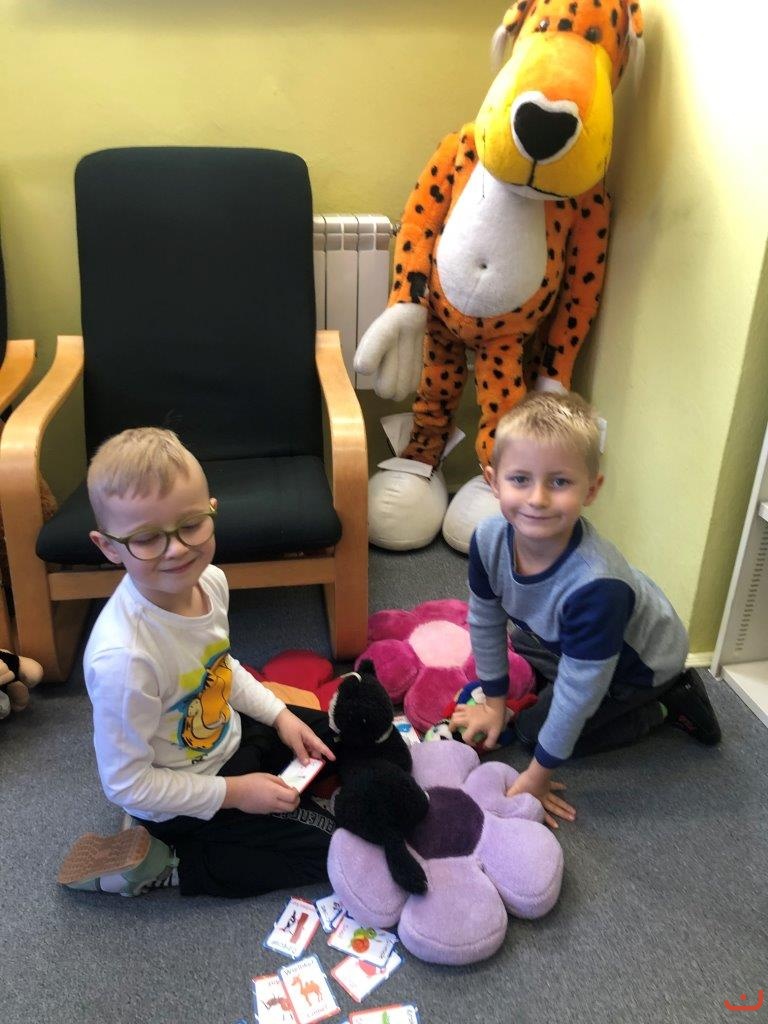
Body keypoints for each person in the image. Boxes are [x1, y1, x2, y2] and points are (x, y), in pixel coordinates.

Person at [58, 427, 336, 898]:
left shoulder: (210, 581)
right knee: (330, 849)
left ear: (212, 510)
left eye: (191, 525)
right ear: (108, 547)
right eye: (147, 538)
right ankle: (171, 864)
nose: (177, 549)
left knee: (332, 733)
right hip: (183, 800)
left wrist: (281, 716)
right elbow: (125, 784)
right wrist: (236, 794)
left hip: (229, 740)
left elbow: (221, 668)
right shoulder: (124, 660)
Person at [449, 392, 721, 828]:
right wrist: (494, 704)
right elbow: (484, 620)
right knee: (521, 641)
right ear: (493, 481)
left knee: (534, 733)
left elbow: (578, 695)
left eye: (559, 482)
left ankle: (668, 705)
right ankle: (574, 669)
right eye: (520, 479)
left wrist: (538, 776)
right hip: (581, 641)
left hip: (640, 666)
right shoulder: (487, 539)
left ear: (591, 489)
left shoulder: (597, 588)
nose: (537, 498)